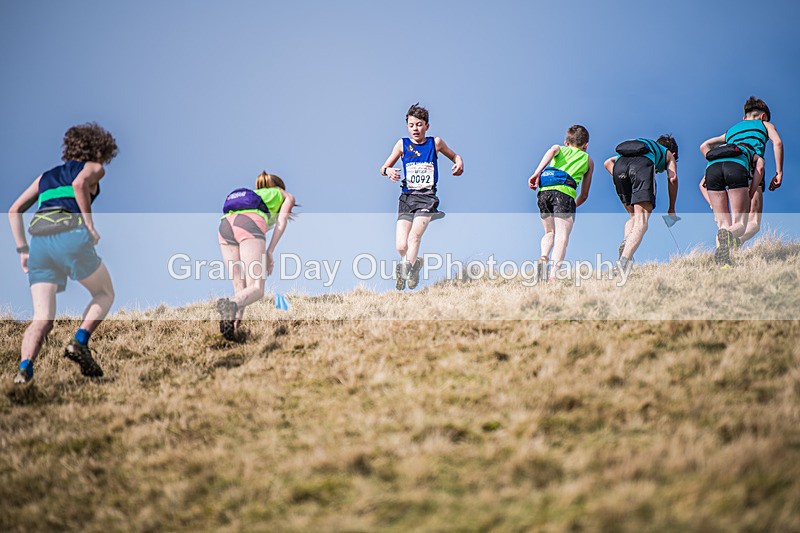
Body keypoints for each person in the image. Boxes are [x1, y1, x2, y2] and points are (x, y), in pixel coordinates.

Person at [8, 123, 118, 383]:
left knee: (42, 319)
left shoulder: (45, 177)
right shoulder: (94, 167)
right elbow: (80, 184)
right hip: (69, 235)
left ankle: (24, 371)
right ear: (99, 150)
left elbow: (14, 210)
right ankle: (79, 342)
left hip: (40, 245)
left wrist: (22, 249)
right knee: (105, 293)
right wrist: (89, 226)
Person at [379, 103, 464, 290]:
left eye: (419, 124)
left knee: (414, 237)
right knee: (401, 246)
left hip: (427, 198)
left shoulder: (435, 143)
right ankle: (415, 263)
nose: (415, 129)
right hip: (407, 198)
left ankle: (405, 271)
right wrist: (389, 171)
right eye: (411, 125)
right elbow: (383, 168)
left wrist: (459, 163)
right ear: (407, 127)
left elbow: (455, 156)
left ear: (427, 126)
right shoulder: (402, 144)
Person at [698, 96, 784, 253]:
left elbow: (705, 145)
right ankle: (737, 242)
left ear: (744, 117)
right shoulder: (764, 124)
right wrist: (779, 172)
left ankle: (724, 258)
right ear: (763, 116)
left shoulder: (731, 130)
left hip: (717, 167)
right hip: (749, 167)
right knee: (752, 222)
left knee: (723, 223)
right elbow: (777, 143)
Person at [216, 171, 295, 340]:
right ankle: (231, 305)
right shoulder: (282, 194)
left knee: (241, 289)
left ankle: (233, 330)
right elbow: (282, 221)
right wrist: (270, 250)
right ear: (279, 185)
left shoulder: (255, 195)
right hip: (249, 222)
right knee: (257, 289)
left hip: (225, 225)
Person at [604, 135, 679, 274]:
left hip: (619, 167)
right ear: (673, 152)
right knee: (642, 220)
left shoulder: (643, 145)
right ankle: (624, 262)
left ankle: (627, 241)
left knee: (633, 217)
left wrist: (623, 178)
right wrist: (671, 208)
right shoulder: (667, 153)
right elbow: (673, 178)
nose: (659, 171)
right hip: (641, 166)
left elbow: (608, 162)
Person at [528, 125, 594, 281]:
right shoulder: (588, 160)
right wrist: (570, 207)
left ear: (566, 142)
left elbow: (551, 151)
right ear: (586, 145)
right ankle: (553, 275)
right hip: (565, 194)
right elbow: (584, 195)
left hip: (544, 192)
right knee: (562, 237)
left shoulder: (558, 148)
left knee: (549, 232)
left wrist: (536, 174)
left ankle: (544, 256)